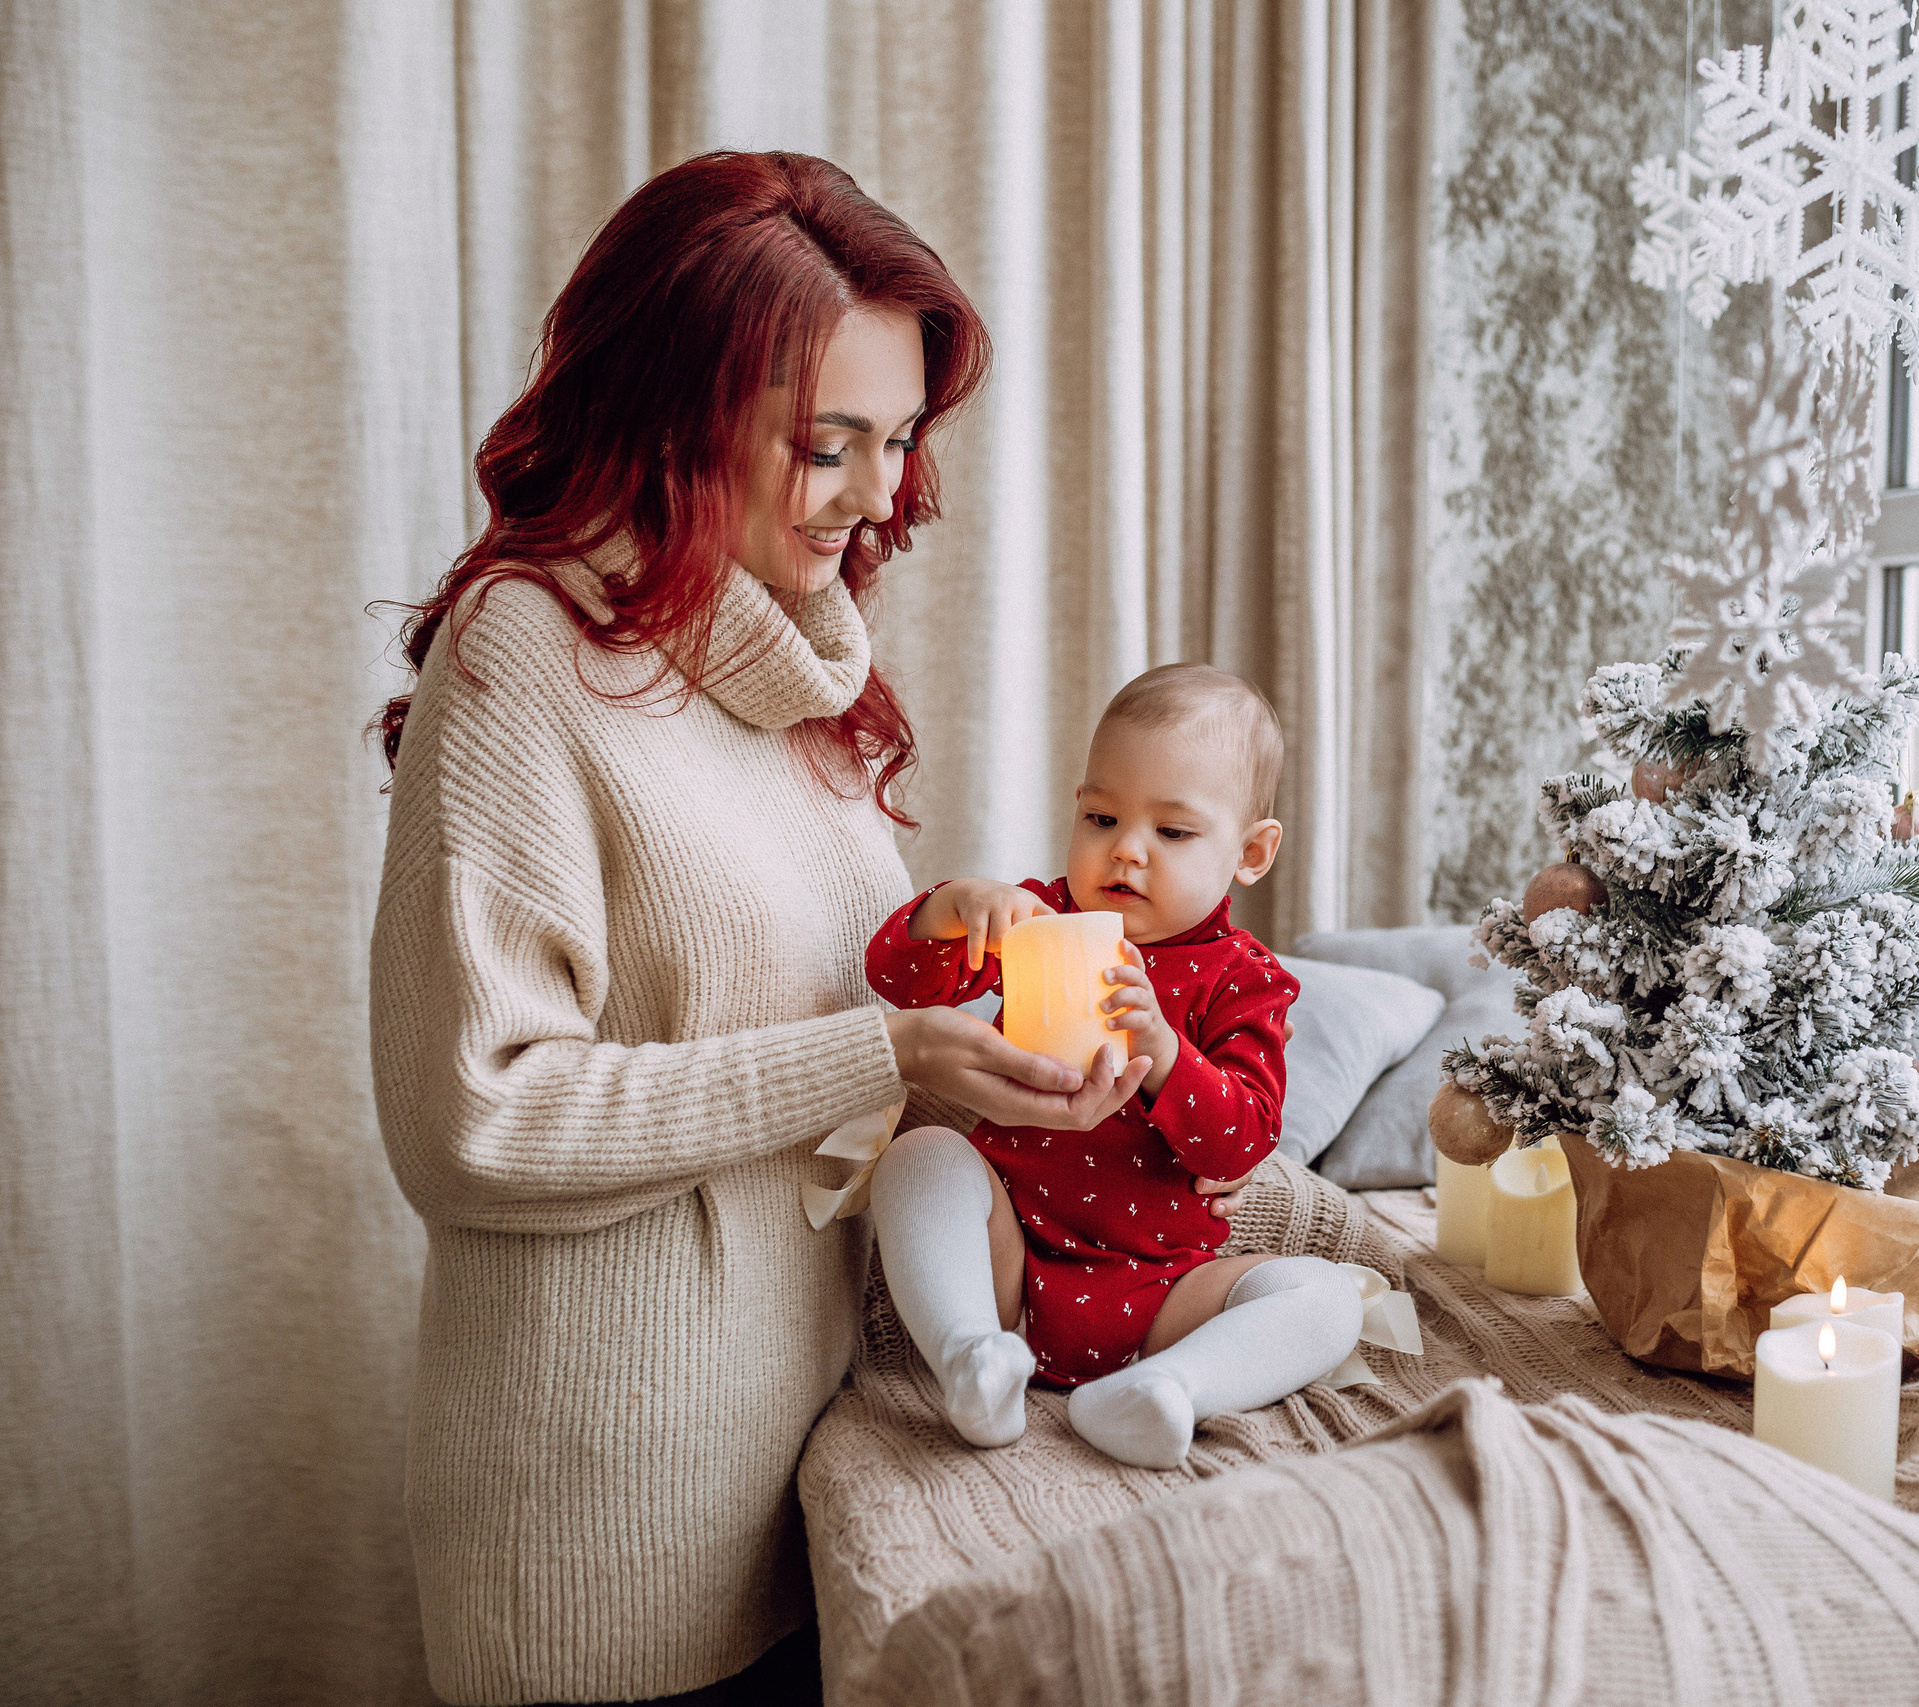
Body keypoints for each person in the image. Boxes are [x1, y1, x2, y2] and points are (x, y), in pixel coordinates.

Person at [367, 151, 1237, 1707]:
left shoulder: (792, 669)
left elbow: (807, 1047)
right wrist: (883, 1048)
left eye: (897, 442)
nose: (881, 497)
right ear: (671, 414)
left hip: (811, 1485)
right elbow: (472, 1114)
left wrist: (972, 1047)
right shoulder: (524, 660)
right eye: (826, 445)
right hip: (609, 1532)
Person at [861, 665, 1364, 1469]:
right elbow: (898, 980)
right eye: (1102, 816)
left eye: (1172, 832)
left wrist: (1167, 1056)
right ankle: (970, 1359)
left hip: (1166, 1290)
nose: (1125, 850)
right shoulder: (1044, 919)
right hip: (1013, 1267)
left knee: (1332, 1298)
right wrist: (952, 908)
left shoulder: (1246, 978)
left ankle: (1168, 1390)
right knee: (920, 1158)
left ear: (1251, 852)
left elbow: (1241, 1143)